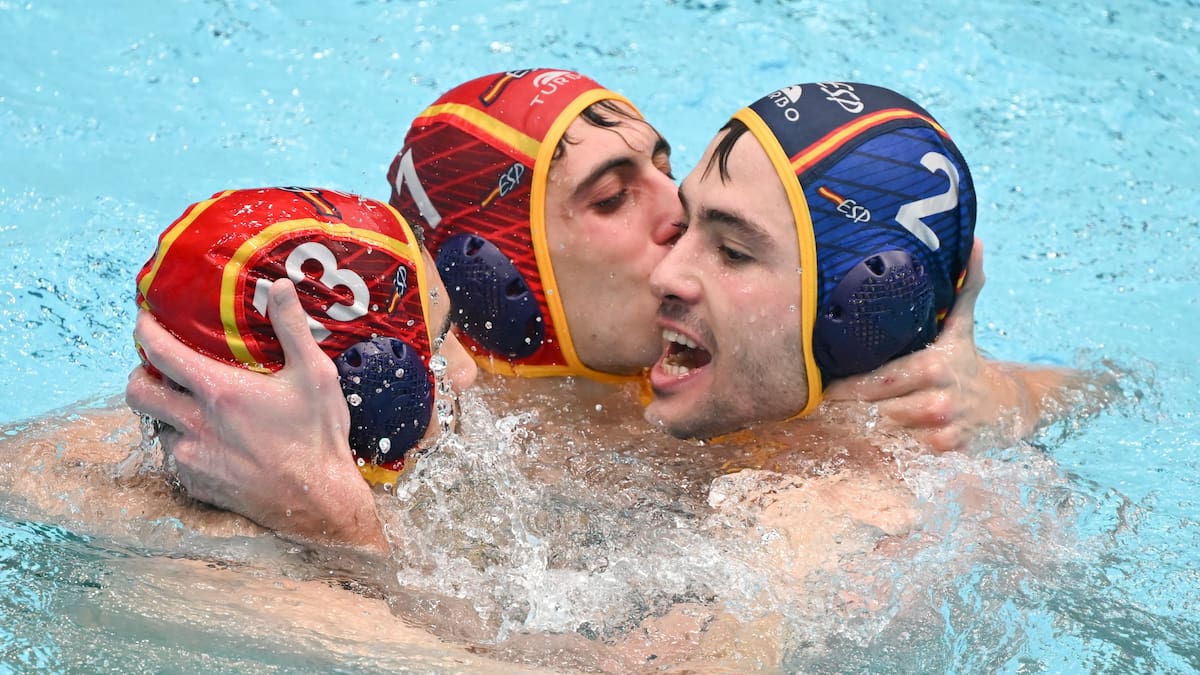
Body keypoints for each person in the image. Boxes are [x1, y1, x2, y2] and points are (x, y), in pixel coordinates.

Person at [126, 69, 1092, 550]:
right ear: (504, 283)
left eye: (668, 168)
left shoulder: (746, 372)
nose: (679, 215)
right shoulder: (423, 426)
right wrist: (333, 523)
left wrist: (992, 390)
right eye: (613, 194)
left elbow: (1113, 392)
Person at [645, 81, 1103, 445]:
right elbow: (1099, 389)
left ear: (866, 307)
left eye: (732, 252)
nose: (662, 275)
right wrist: (1013, 397)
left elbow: (1105, 391)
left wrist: (1002, 401)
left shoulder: (885, 535)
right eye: (684, 226)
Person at [128, 186, 477, 551]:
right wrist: (343, 528)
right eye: (436, 347)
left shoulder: (106, 465)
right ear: (365, 386)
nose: (466, 371)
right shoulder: (253, 585)